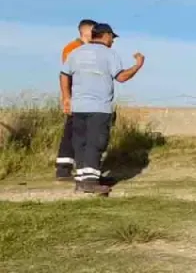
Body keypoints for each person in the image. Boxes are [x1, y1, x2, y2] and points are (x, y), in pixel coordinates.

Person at [60, 23, 145, 194]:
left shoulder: (76, 52)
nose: (113, 41)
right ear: (105, 35)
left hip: (78, 106)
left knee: (80, 142)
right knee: (96, 142)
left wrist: (66, 98)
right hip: (99, 106)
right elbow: (121, 77)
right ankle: (91, 182)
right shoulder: (109, 54)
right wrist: (138, 65)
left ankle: (82, 179)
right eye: (112, 38)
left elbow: (64, 74)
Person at [55, 18, 97, 181]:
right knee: (72, 131)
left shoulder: (85, 49)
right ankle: (64, 168)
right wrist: (67, 98)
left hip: (83, 97)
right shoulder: (73, 48)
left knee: (77, 131)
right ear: (86, 31)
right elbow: (68, 72)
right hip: (76, 97)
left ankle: (71, 166)